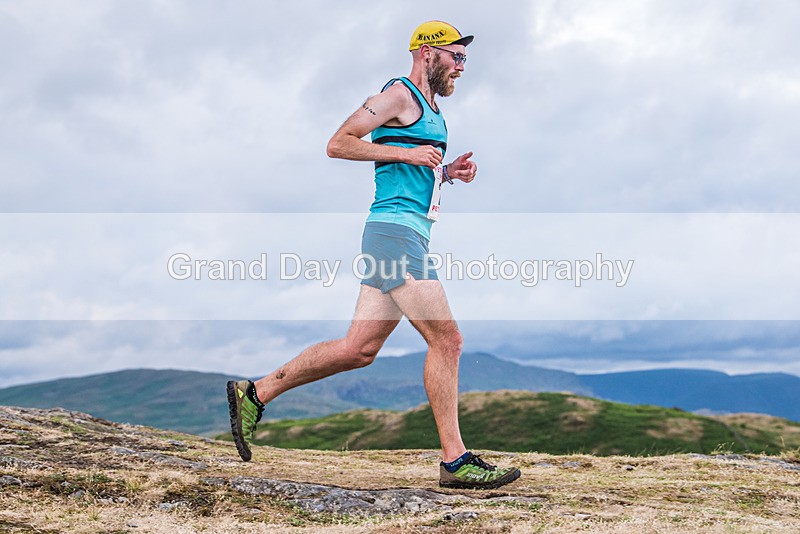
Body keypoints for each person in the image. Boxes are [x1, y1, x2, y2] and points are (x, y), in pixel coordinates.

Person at [227, 20, 521, 490]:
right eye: (455, 56)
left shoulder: (431, 110)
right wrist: (408, 156)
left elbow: (409, 167)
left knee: (358, 350)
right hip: (393, 235)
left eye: (464, 59)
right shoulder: (398, 96)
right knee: (448, 341)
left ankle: (256, 392)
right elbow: (338, 143)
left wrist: (444, 173)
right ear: (427, 53)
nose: (462, 67)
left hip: (406, 233)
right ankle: (454, 461)